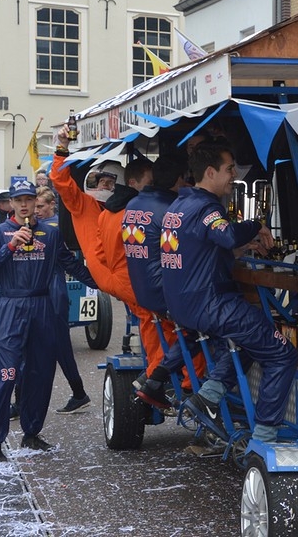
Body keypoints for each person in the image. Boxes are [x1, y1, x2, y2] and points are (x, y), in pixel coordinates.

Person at [161, 142, 297, 443]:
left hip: (185, 305)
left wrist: (241, 248)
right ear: (210, 172)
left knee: (254, 334)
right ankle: (264, 439)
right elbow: (227, 234)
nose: (234, 175)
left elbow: (202, 251)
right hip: (210, 304)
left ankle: (208, 396)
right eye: (229, 169)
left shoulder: (179, 206)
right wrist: (256, 225)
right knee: (283, 353)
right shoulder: (206, 207)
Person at [0, 178, 97, 461]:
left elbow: (71, 265)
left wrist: (107, 284)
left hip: (43, 308)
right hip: (9, 307)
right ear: (10, 203)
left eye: (29, 199)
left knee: (40, 374)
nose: (24, 205)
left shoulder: (51, 234)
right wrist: (10, 246)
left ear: (35, 202)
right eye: (18, 200)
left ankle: (31, 434)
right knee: (6, 375)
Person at [52, 126, 180, 383]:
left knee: (150, 317)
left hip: (118, 272)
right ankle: (160, 378)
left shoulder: (122, 207)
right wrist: (61, 149)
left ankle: (159, 374)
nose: (105, 186)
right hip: (113, 272)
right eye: (101, 182)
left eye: (110, 183)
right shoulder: (85, 204)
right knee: (162, 316)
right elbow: (62, 182)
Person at [123, 154, 206, 409]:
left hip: (142, 289)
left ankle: (154, 378)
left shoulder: (133, 204)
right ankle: (191, 390)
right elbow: (184, 253)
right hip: (164, 293)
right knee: (206, 327)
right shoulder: (172, 210)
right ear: (179, 180)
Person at [34, 187, 92, 414]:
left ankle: (78, 393)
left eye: (41, 206)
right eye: (35, 206)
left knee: (58, 347)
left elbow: (70, 263)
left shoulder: (53, 229)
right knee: (55, 348)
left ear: (52, 205)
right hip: (45, 291)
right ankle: (78, 393)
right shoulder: (41, 227)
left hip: (53, 292)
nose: (37, 210)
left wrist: (100, 283)